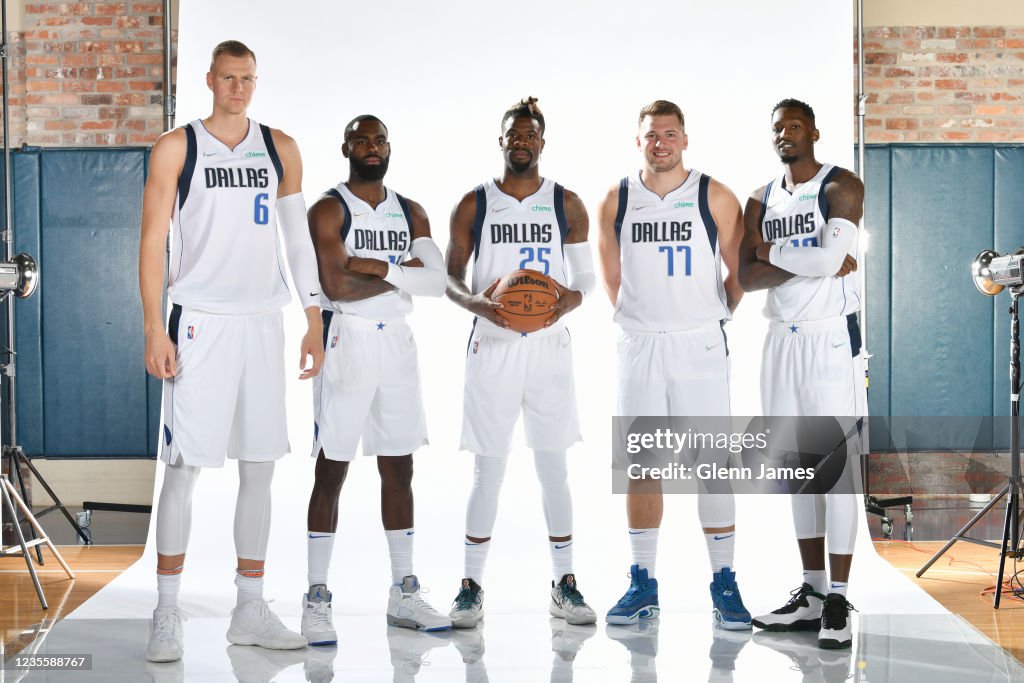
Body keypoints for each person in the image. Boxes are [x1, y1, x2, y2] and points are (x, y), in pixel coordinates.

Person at [139, 40, 324, 662]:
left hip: (260, 322)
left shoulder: (279, 148)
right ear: (210, 80)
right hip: (198, 323)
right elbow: (151, 240)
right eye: (228, 78)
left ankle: (250, 606)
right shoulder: (177, 146)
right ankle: (166, 612)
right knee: (185, 469)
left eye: (248, 79)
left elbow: (297, 239)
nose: (238, 88)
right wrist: (151, 327)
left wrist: (313, 315)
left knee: (260, 466)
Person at [597, 100, 751, 630]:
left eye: (669, 133)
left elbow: (740, 274)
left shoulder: (715, 195)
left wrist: (706, 318)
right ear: (636, 141)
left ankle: (724, 582)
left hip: (699, 345)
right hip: (640, 346)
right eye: (650, 135)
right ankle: (642, 583)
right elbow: (613, 282)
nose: (660, 142)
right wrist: (649, 318)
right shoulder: (616, 200)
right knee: (642, 468)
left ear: (685, 139)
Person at [445, 97, 597, 628]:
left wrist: (568, 301)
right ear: (502, 140)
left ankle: (565, 583)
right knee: (489, 470)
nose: (522, 141)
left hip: (549, 349)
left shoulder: (566, 203)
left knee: (553, 468)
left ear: (542, 142)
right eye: (514, 134)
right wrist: (477, 305)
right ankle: (470, 587)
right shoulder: (475, 203)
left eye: (531, 134)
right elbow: (450, 276)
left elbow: (587, 279)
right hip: (492, 346)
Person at [300, 115, 450, 645]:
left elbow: (436, 282)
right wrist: (399, 272)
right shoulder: (327, 207)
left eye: (380, 139)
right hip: (350, 341)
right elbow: (335, 284)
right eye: (362, 139)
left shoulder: (412, 210)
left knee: (399, 464)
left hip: (397, 346)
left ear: (390, 147)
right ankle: (316, 595)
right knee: (331, 469)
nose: (372, 147)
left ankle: (403, 592)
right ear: (346, 146)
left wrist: (378, 267)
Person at [738, 98, 865, 650]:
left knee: (835, 469)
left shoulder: (842, 186)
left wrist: (776, 250)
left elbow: (824, 262)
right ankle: (811, 594)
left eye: (794, 125)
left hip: (831, 337)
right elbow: (745, 275)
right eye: (777, 128)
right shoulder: (760, 197)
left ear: (813, 130)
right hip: (781, 341)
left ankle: (838, 597)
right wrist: (809, 253)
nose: (785, 134)